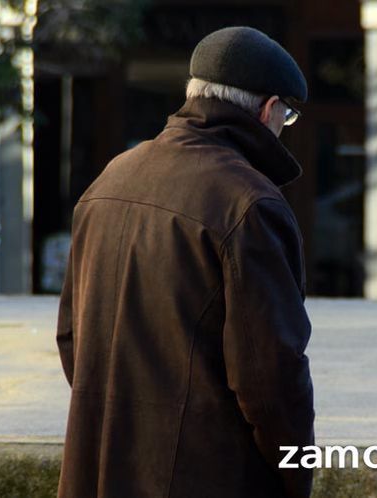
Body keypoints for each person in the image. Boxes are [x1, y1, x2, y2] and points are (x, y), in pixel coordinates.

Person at [56, 26, 314, 498]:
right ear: (269, 108)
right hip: (204, 474)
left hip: (98, 468)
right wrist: (295, 474)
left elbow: (73, 337)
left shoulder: (111, 178)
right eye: (289, 116)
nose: (284, 127)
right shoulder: (249, 201)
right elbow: (269, 376)